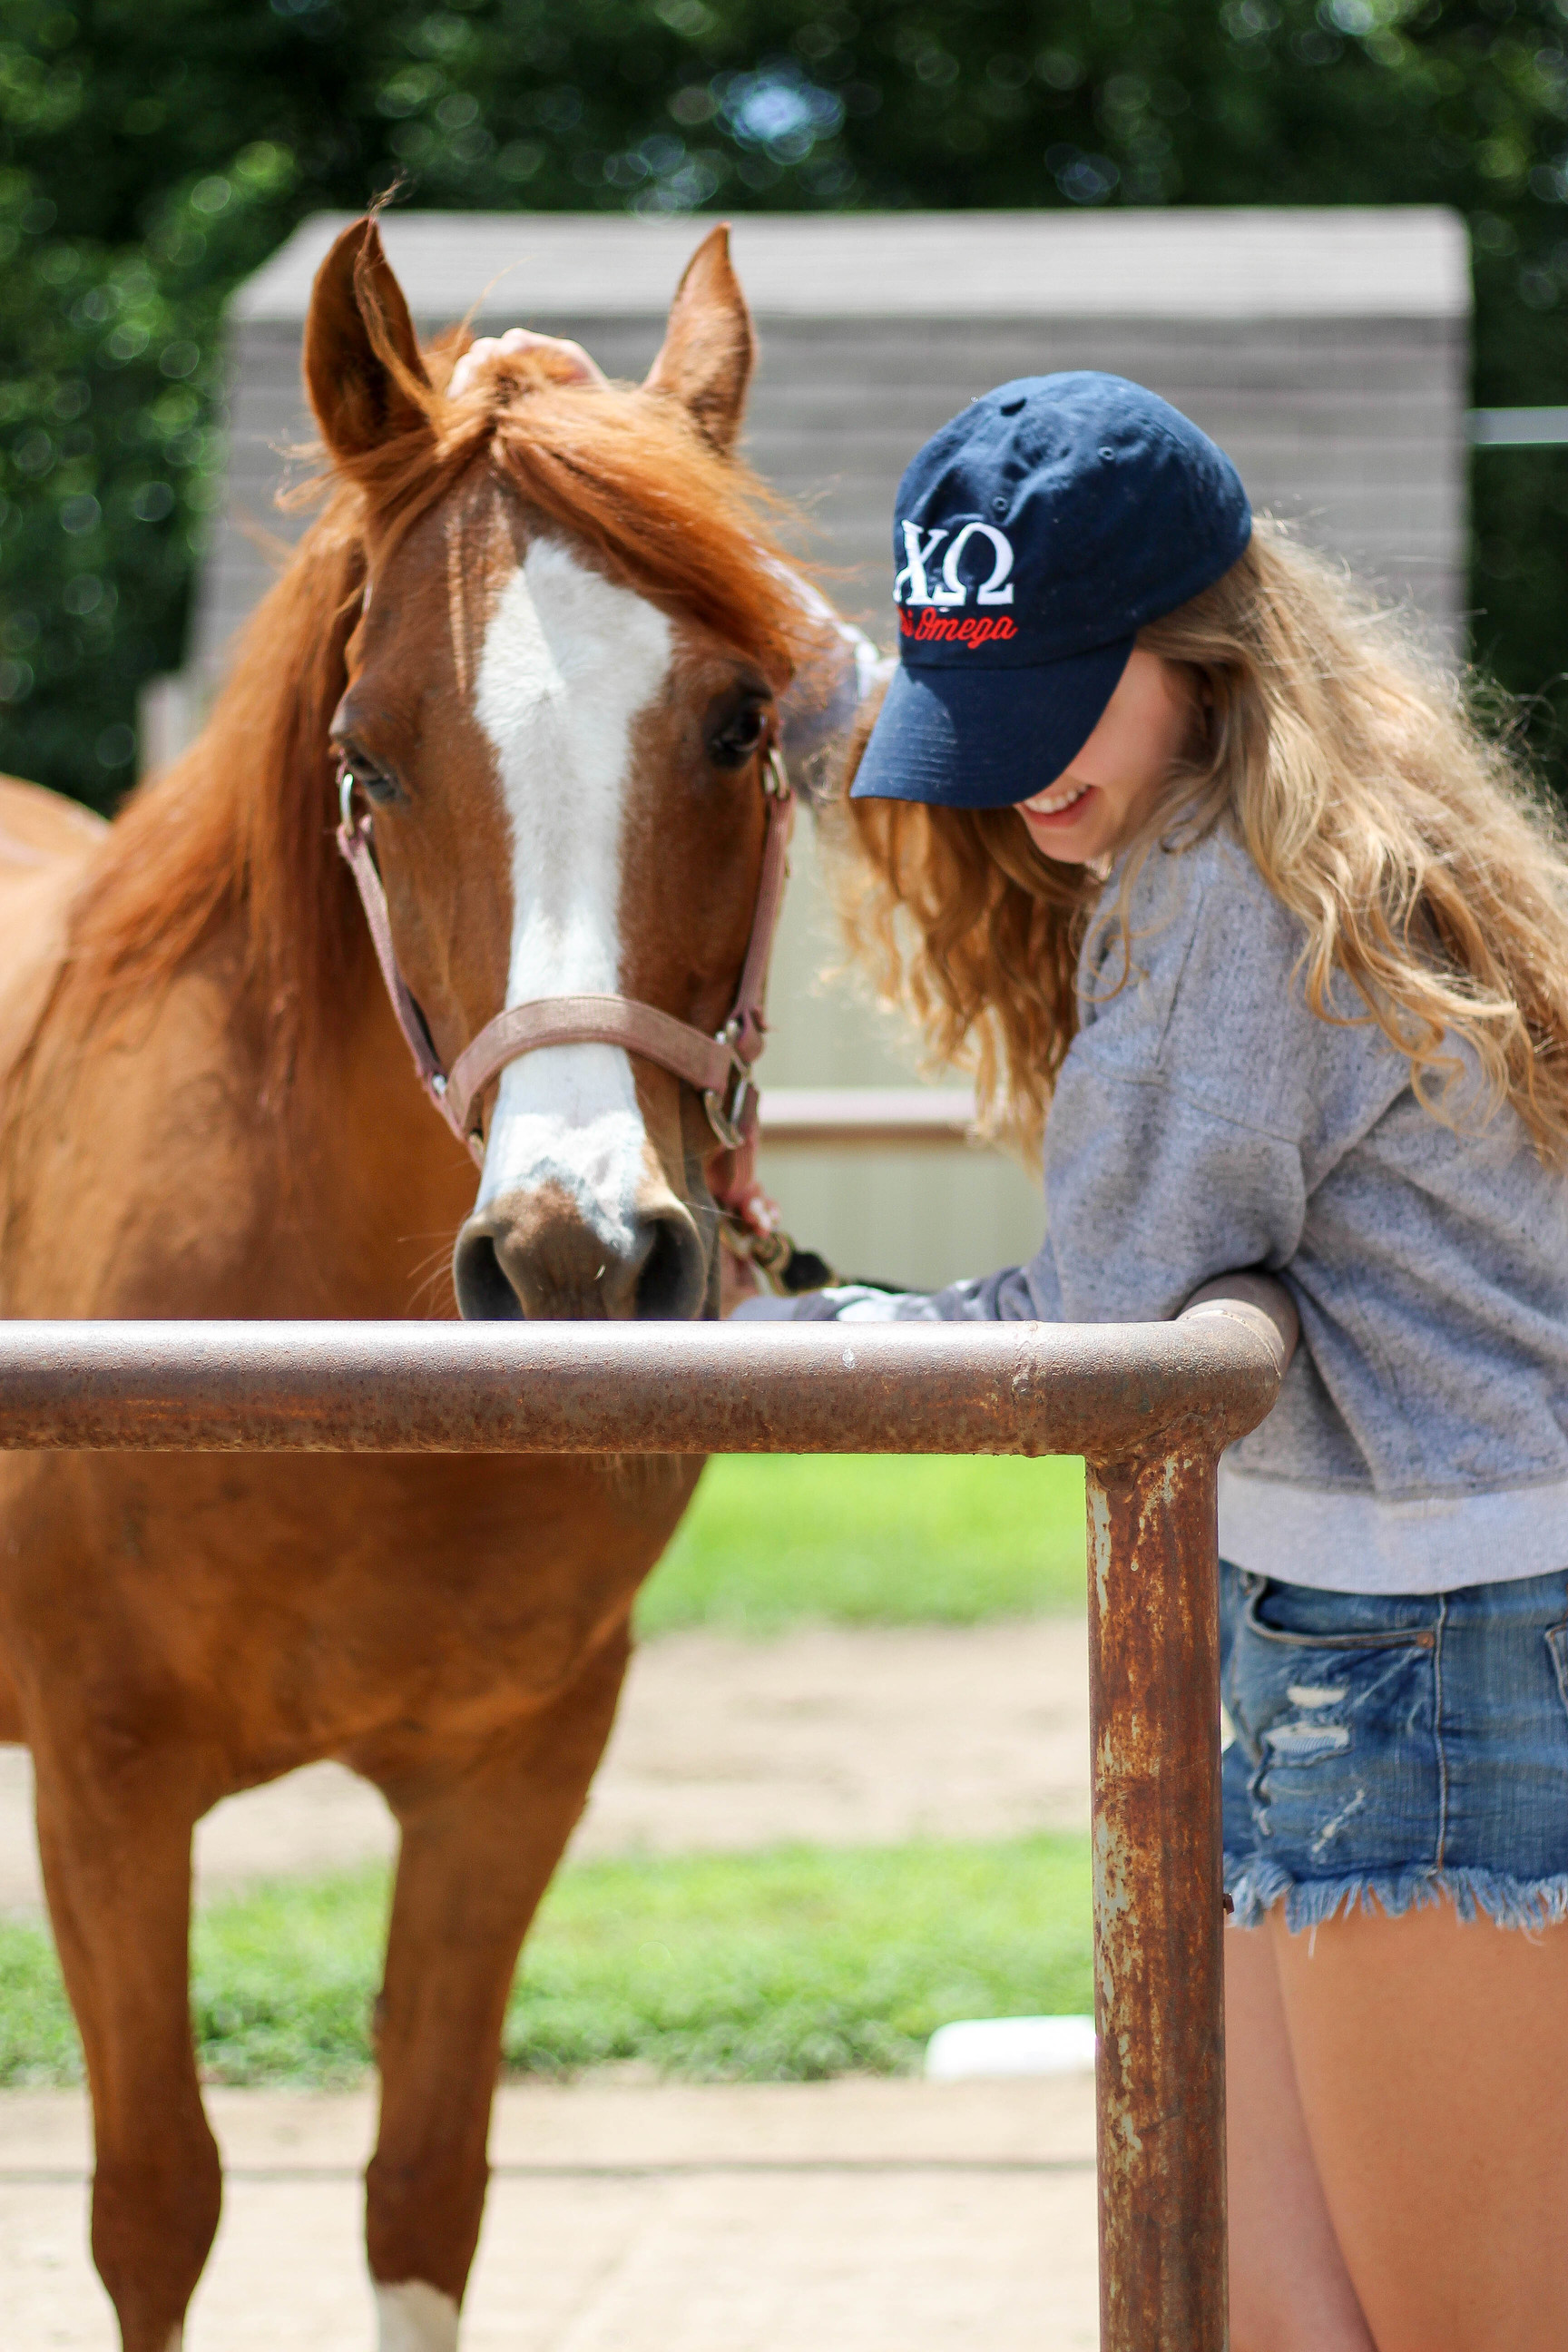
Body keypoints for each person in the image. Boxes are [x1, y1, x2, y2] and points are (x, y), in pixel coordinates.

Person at [740, 372, 1568, 2352]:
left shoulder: (1248, 901)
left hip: (1435, 1643)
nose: (1015, 776)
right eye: (975, 714)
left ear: (1194, 647)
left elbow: (1102, 1333)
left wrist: (784, 1331)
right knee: (1263, 2311)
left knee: (1459, 2326)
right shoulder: (1254, 813)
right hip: (1348, 1627)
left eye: (1046, 703)